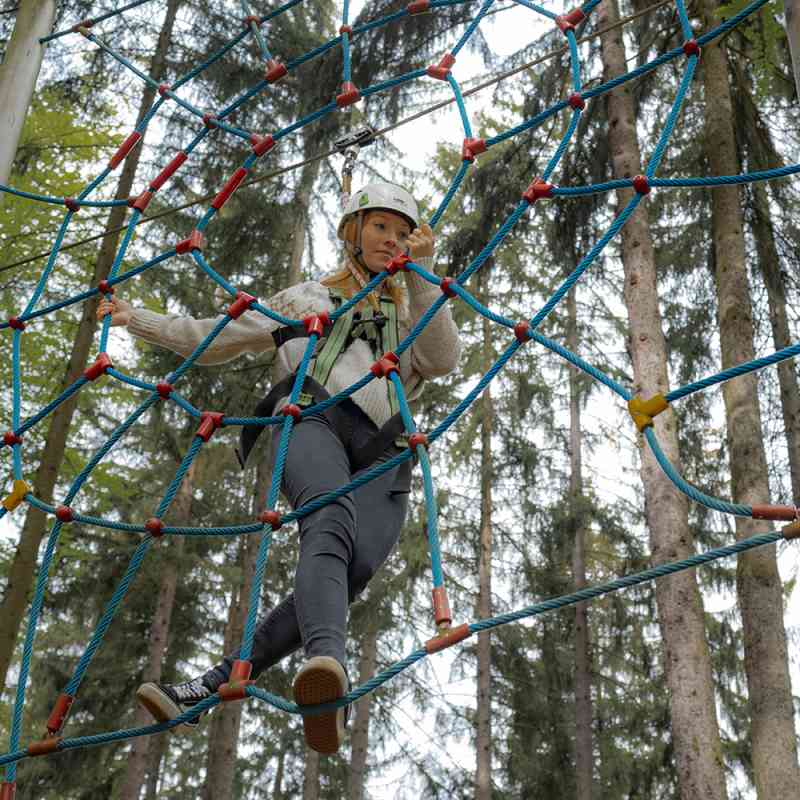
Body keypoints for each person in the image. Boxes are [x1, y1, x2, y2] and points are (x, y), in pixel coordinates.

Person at [96, 181, 459, 754]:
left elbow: (442, 360)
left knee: (352, 571)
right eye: (379, 227)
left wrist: (424, 273)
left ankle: (209, 686)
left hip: (386, 447)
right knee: (329, 521)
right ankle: (329, 667)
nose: (391, 239)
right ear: (353, 231)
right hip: (312, 416)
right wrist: (136, 318)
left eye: (401, 232)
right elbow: (218, 337)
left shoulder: (416, 306)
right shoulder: (309, 298)